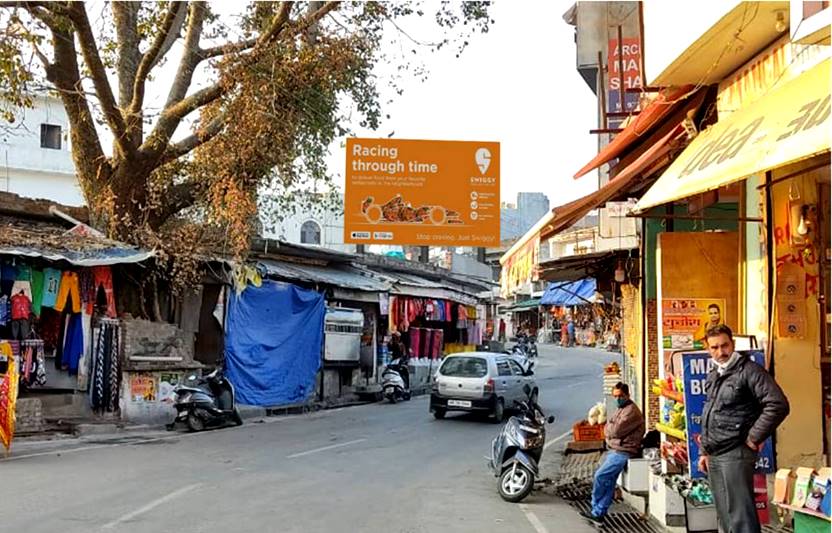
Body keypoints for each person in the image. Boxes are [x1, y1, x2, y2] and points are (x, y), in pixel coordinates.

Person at [697, 325, 789, 533]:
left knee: (740, 517)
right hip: (716, 453)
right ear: (708, 349)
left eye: (725, 346)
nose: (721, 352)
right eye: (715, 348)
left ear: (733, 344)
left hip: (736, 451)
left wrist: (753, 437)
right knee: (725, 515)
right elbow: (710, 412)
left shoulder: (749, 371)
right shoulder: (715, 374)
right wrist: (705, 451)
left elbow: (778, 404)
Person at [580, 382, 645, 524]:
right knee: (608, 482)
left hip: (623, 451)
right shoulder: (621, 409)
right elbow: (609, 428)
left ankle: (596, 507)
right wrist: (609, 429)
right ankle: (598, 513)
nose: (617, 399)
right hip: (615, 449)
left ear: (627, 395)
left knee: (600, 477)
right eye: (615, 396)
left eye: (620, 396)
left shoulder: (631, 412)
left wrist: (609, 429)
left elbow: (614, 430)